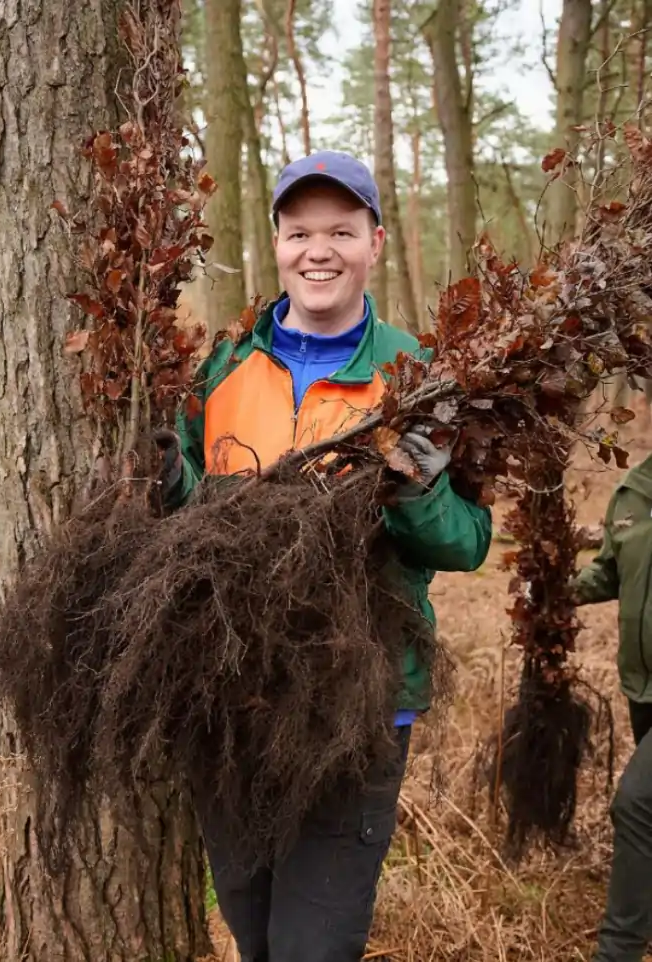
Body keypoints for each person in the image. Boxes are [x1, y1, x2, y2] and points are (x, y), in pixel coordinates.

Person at [159, 150, 492, 962]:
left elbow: (467, 542)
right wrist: (171, 486)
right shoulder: (222, 368)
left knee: (313, 946)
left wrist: (416, 490)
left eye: (341, 230)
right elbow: (183, 525)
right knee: (252, 927)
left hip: (360, 707)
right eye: (299, 230)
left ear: (375, 242)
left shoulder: (418, 377)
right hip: (230, 701)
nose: (319, 249)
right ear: (275, 242)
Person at [572, 452, 652, 962]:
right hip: (642, 686)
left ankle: (616, 952)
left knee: (638, 803)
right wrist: (557, 590)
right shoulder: (633, 491)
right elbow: (610, 572)